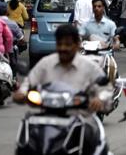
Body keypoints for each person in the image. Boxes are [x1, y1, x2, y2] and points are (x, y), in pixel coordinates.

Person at [12, 24, 111, 153]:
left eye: (68, 44)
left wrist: (99, 99)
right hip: (45, 119)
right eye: (60, 44)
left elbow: (105, 88)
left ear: (77, 44)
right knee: (25, 143)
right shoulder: (45, 63)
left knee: (97, 147)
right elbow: (29, 81)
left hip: (80, 120)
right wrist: (22, 92)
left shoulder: (90, 67)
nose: (63, 48)